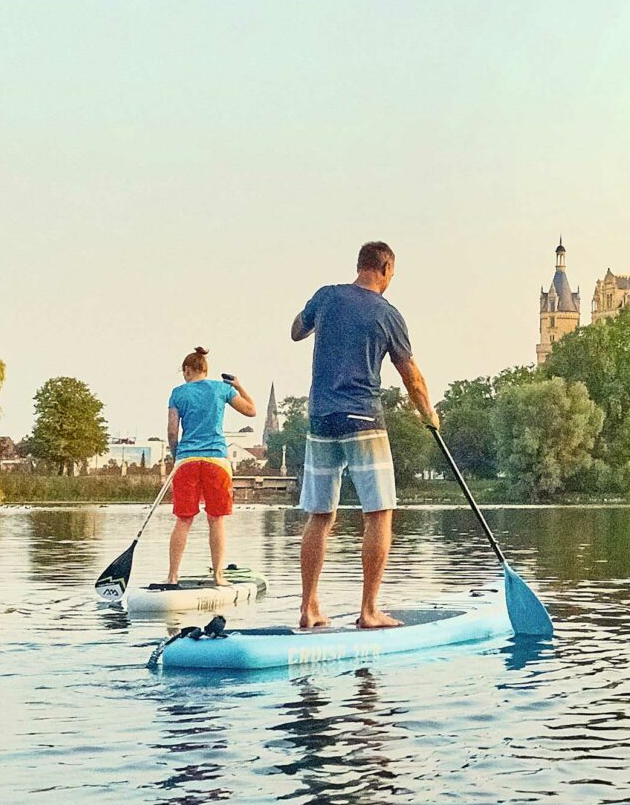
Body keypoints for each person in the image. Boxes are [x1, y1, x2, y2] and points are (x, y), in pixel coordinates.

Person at [290, 240, 436, 629]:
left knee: (319, 515)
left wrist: (319, 317)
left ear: (359, 266)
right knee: (379, 512)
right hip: (363, 420)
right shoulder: (387, 314)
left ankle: (308, 608)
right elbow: (411, 375)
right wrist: (430, 416)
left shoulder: (326, 296)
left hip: (321, 419)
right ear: (386, 269)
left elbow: (295, 331)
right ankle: (369, 611)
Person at [164, 348, 257, 586]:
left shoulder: (177, 393)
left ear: (187, 370)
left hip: (187, 461)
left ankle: (172, 576)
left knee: (183, 520)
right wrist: (238, 386)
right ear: (205, 370)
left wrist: (177, 456)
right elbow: (251, 410)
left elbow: (172, 432)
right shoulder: (222, 388)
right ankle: (218, 576)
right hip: (216, 460)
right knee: (216, 519)